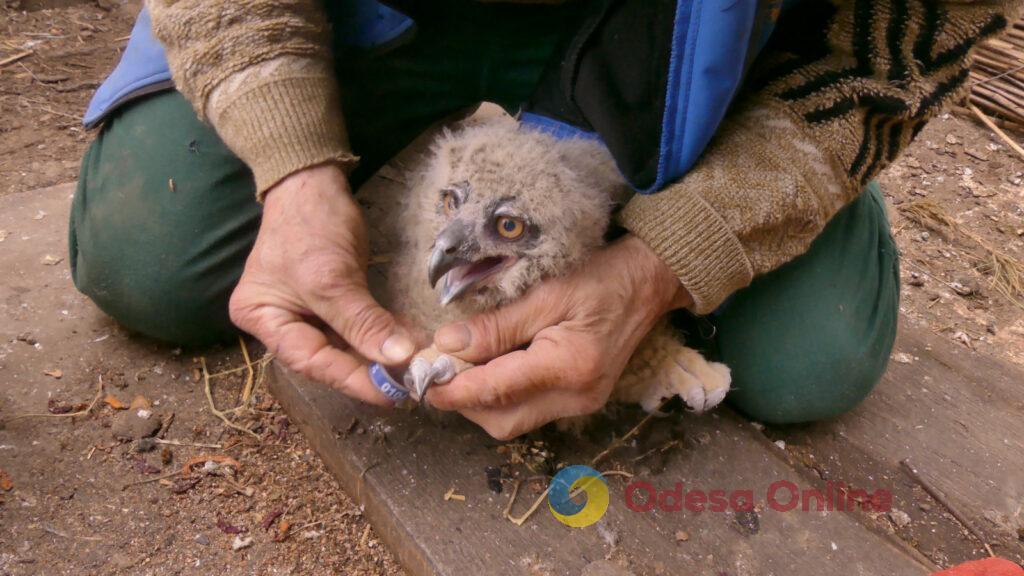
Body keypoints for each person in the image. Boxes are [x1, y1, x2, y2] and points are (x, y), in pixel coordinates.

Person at [70, 0, 1017, 439]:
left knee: (809, 361)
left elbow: (903, 38)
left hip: (690, 34)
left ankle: (766, 159)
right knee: (153, 259)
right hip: (374, 11)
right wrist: (290, 163)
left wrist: (682, 248)